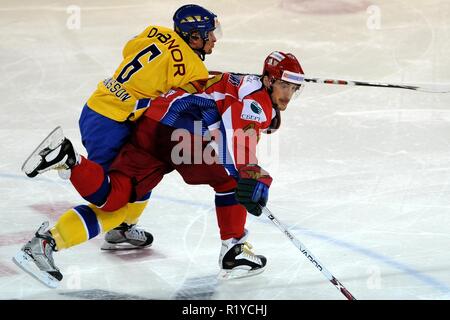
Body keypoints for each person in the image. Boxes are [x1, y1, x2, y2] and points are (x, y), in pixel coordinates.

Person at [15, 51, 305, 287]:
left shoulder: (246, 83)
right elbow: (235, 139)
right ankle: (234, 248)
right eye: (284, 86)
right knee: (231, 180)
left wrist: (263, 124)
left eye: (294, 88)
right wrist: (253, 175)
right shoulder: (256, 102)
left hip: (152, 124)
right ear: (268, 80)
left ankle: (69, 170)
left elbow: (227, 105)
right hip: (180, 135)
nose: (288, 94)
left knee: (116, 198)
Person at [21, 4, 222, 253]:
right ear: (194, 36)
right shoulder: (194, 69)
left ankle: (123, 229)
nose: (214, 39)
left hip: (99, 105)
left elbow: (129, 49)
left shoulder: (156, 31)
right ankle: (68, 162)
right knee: (112, 201)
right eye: (209, 34)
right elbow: (180, 108)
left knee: (141, 174)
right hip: (113, 121)